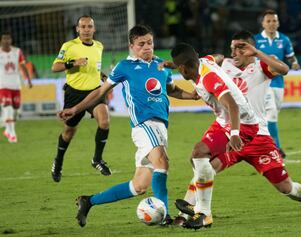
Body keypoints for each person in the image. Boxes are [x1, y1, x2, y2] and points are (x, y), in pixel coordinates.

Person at [173, 31, 301, 230]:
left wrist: (256, 52)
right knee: (204, 163)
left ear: (250, 49)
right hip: (231, 131)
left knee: (285, 187)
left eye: (240, 47)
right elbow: (212, 58)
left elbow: (284, 69)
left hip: (257, 135)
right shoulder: (223, 65)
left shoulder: (260, 67)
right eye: (232, 47)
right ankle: (187, 214)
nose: (234, 52)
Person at [58, 25, 198, 227]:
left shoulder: (161, 65)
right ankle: (165, 217)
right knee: (162, 162)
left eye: (149, 43)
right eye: (141, 44)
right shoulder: (125, 66)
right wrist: (76, 108)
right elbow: (99, 92)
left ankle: (88, 201)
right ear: (131, 46)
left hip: (160, 127)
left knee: (139, 186)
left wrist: (192, 96)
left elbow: (172, 90)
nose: (147, 47)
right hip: (143, 125)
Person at [169, 42, 260, 229]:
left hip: (242, 123)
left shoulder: (209, 78)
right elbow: (217, 56)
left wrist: (235, 134)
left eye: (179, 70)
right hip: (223, 121)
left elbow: (233, 105)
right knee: (197, 161)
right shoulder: (204, 62)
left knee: (199, 153)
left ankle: (203, 213)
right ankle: (197, 207)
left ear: (183, 68)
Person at [51, 15, 112, 182]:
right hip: (74, 94)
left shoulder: (99, 46)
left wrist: (102, 75)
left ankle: (97, 159)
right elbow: (55, 67)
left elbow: (94, 67)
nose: (86, 29)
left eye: (89, 26)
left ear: (94, 29)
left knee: (104, 121)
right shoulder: (69, 46)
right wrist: (73, 63)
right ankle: (58, 161)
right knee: (69, 131)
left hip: (94, 92)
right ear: (77, 29)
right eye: (83, 26)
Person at [254, 9, 301, 158]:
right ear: (263, 23)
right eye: (268, 21)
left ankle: (259, 143)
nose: (271, 24)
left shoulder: (284, 40)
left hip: (278, 83)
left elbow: (291, 57)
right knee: (271, 113)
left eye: (274, 21)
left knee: (272, 116)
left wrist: (295, 63)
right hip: (262, 83)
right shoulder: (255, 40)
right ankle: (276, 148)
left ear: (278, 23)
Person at [0, 31, 33, 143]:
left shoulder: (17, 51)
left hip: (15, 84)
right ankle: (11, 132)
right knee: (7, 107)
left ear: (11, 40)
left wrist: (28, 80)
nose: (6, 41)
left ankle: (7, 128)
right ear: (1, 40)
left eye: (8, 38)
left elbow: (23, 66)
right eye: (4, 38)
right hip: (3, 85)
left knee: (15, 110)